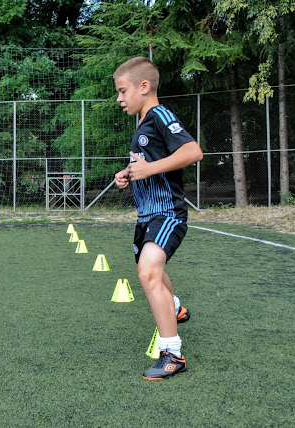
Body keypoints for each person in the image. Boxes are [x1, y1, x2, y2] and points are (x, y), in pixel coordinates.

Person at [113, 57, 203, 380]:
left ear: (144, 87)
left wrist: (149, 168)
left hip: (168, 213)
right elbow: (148, 163)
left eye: (123, 91)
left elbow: (193, 152)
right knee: (150, 269)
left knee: (149, 270)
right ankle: (174, 307)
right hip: (147, 216)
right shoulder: (142, 125)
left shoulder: (160, 115)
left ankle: (172, 354)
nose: (119, 99)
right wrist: (127, 173)